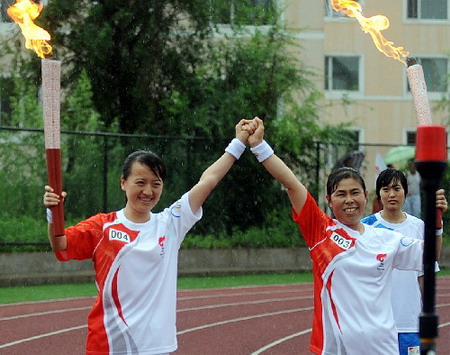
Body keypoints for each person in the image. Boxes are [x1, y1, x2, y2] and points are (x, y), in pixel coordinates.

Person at [43, 119, 256, 355]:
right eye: (140, 183)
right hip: (109, 344)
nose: (148, 191)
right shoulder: (102, 226)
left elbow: (208, 180)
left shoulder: (171, 223)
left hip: (156, 345)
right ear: (123, 183)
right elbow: (60, 245)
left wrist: (238, 143)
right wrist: (54, 215)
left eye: (156, 184)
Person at [245, 117, 435, 355]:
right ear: (329, 200)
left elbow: (429, 255)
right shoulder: (321, 232)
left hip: (383, 348)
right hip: (335, 348)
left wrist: (436, 221)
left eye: (355, 193)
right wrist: (260, 146)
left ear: (365, 196)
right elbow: (291, 184)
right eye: (340, 194)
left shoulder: (386, 239)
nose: (349, 200)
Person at [361, 168, 446, 355]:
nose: (391, 194)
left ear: (405, 193)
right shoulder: (366, 228)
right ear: (378, 195)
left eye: (396, 188)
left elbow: (427, 267)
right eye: (385, 189)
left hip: (410, 322)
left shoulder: (419, 226)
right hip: (377, 323)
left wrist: (437, 222)